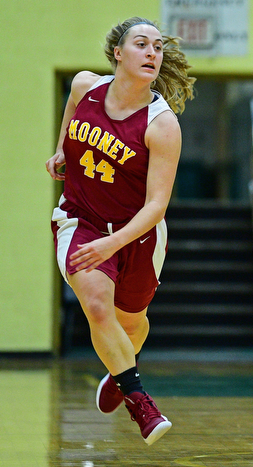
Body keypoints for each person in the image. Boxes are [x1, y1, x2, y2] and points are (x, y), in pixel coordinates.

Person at [46, 17, 195, 445]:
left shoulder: (162, 124)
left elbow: (156, 206)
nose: (152, 52)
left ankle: (120, 366)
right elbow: (72, 112)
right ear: (118, 53)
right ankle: (139, 402)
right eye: (142, 44)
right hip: (80, 220)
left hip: (138, 235)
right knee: (96, 305)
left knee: (133, 324)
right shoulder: (85, 86)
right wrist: (61, 150)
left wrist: (114, 241)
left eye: (158, 47)